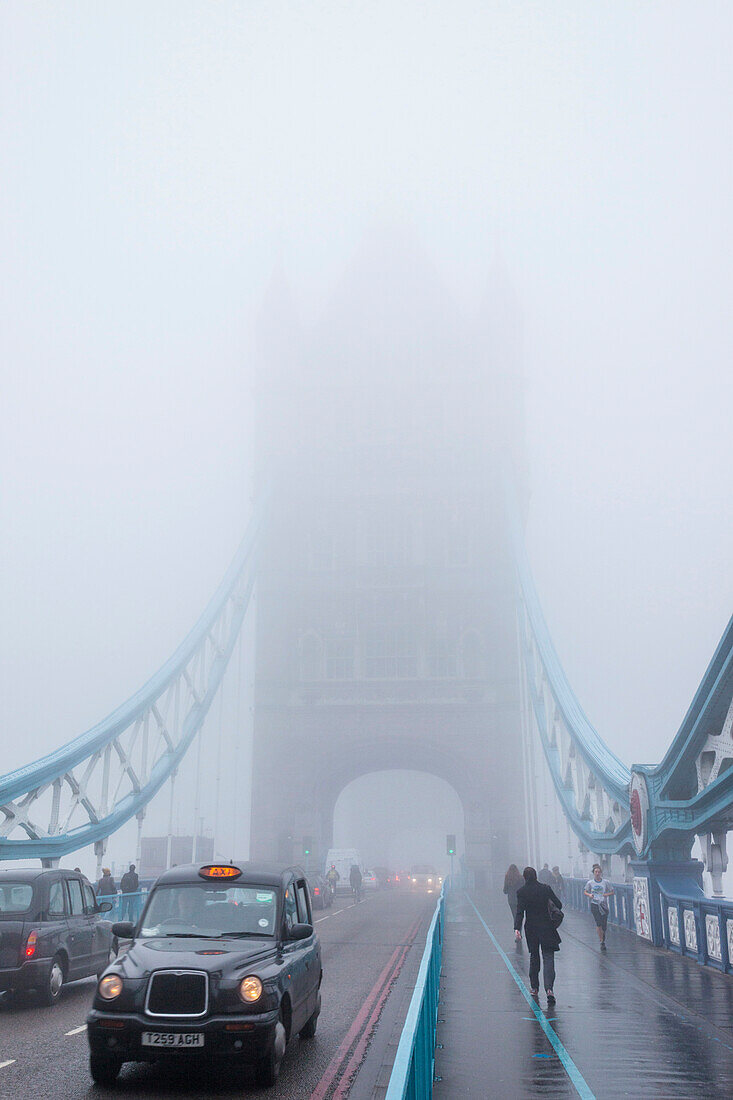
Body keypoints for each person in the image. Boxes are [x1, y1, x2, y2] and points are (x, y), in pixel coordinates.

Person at [514, 866, 562, 1005]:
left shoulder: (521, 892)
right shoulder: (545, 889)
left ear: (524, 877)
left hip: (531, 928)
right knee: (548, 957)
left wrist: (517, 928)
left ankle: (534, 987)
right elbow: (559, 904)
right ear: (536, 876)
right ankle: (549, 990)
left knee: (534, 956)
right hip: (547, 927)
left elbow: (520, 912)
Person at [584, 864, 614, 950]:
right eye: (595, 872)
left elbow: (612, 891)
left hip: (603, 905)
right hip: (595, 904)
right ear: (593, 873)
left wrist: (606, 894)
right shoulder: (590, 883)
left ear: (601, 873)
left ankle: (603, 936)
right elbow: (585, 891)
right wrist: (589, 894)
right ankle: (601, 941)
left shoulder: (606, 882)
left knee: (604, 925)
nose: (597, 873)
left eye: (599, 872)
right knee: (598, 922)